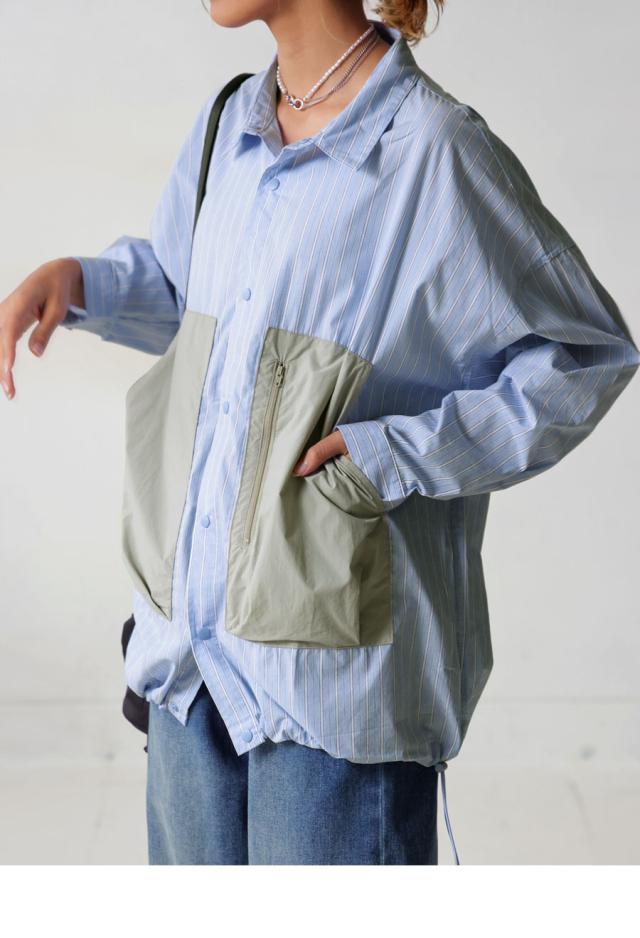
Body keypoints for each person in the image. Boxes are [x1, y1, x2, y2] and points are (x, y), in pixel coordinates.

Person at [1, 0, 638, 866]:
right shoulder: (229, 124)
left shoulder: (435, 150)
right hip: (188, 658)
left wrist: (391, 456)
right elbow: (194, 297)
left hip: (333, 684)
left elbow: (585, 356)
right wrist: (79, 283)